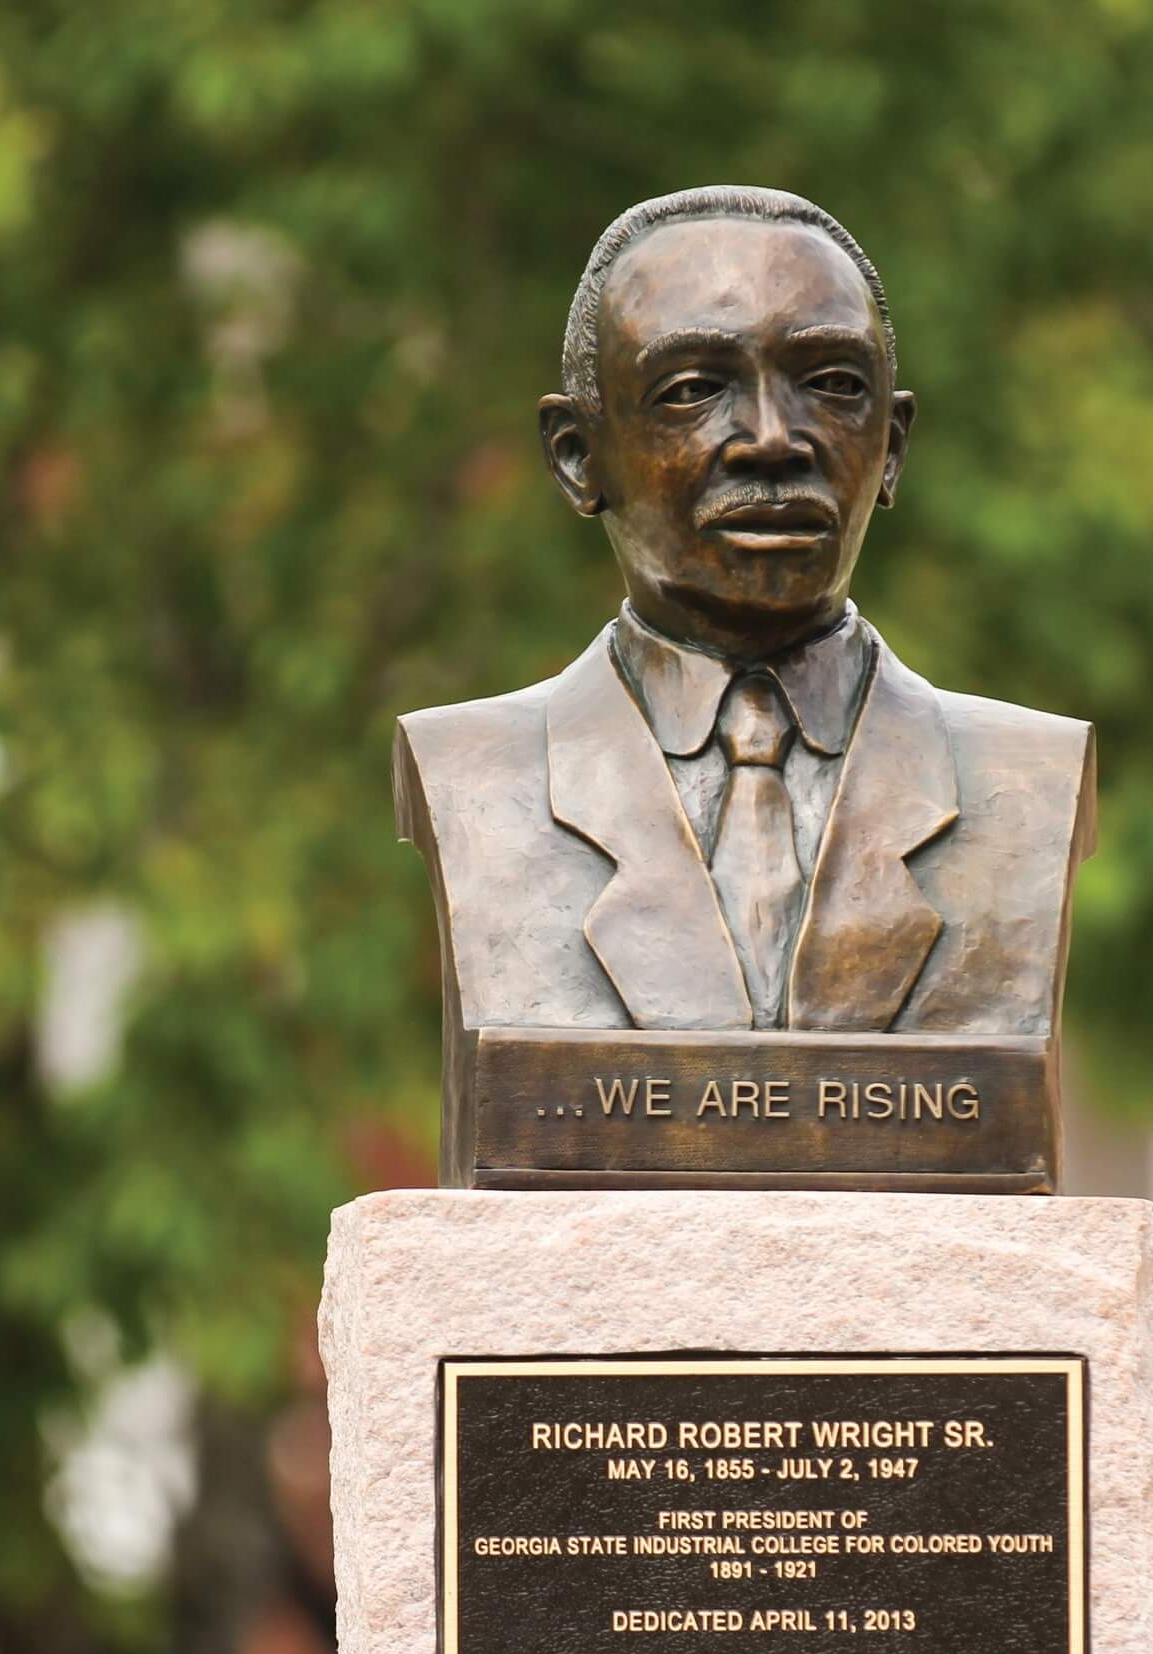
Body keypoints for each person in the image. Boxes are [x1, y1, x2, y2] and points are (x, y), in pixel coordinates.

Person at [396, 185, 1094, 1051]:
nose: (774, 438)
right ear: (578, 456)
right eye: (693, 389)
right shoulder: (477, 777)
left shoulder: (1026, 780)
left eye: (833, 385)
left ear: (894, 445)